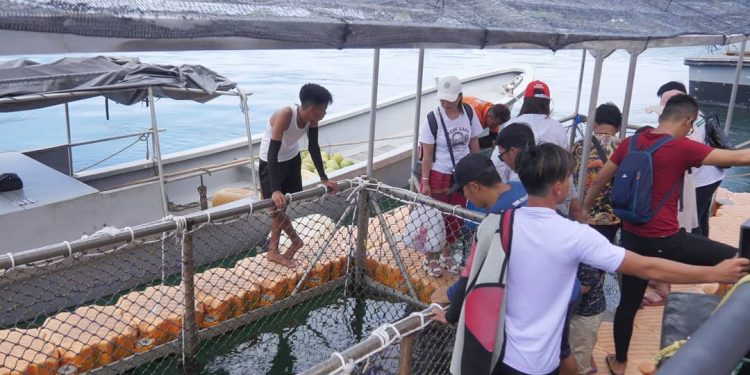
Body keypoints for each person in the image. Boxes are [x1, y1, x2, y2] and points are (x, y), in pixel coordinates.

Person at [434, 142, 749, 375]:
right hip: (542, 363)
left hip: (500, 357)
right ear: (559, 187)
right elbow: (647, 266)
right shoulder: (574, 235)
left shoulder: (499, 223)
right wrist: (715, 272)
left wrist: (449, 313)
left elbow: (469, 279)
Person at [583, 94, 750, 375]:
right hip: (667, 241)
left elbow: (600, 179)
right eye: (691, 126)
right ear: (688, 120)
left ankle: (619, 362)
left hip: (633, 239)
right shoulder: (682, 147)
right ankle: (729, 317)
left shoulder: (630, 143)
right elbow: (742, 156)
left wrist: (585, 209)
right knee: (739, 258)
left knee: (629, 302)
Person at [258, 83, 339, 268]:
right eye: (324, 109)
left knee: (282, 207)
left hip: (292, 159)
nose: (325, 113)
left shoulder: (312, 120)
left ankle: (274, 250)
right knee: (274, 208)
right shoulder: (285, 115)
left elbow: (313, 147)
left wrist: (324, 178)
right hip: (271, 160)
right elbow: (272, 152)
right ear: (313, 109)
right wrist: (276, 189)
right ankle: (291, 243)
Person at [569, 103, 623, 375]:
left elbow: (571, 181)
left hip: (582, 218)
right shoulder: (623, 147)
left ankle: (579, 337)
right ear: (617, 124)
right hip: (610, 221)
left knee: (580, 274)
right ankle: (586, 340)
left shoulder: (580, 146)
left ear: (595, 121)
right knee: (597, 276)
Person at [419, 76, 482, 277]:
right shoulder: (433, 118)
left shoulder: (469, 113)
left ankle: (447, 255)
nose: (445, 103)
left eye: (449, 99)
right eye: (442, 99)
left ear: (459, 97)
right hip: (439, 173)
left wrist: (478, 169)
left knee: (455, 216)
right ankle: (430, 258)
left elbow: (473, 142)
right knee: (435, 217)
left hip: (461, 175)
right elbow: (427, 154)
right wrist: (425, 180)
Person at [656, 81, 725, 237]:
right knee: (701, 219)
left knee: (691, 223)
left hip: (700, 180)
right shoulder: (698, 114)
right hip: (713, 174)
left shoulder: (686, 124)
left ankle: (698, 256)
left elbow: (689, 153)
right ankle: (706, 253)